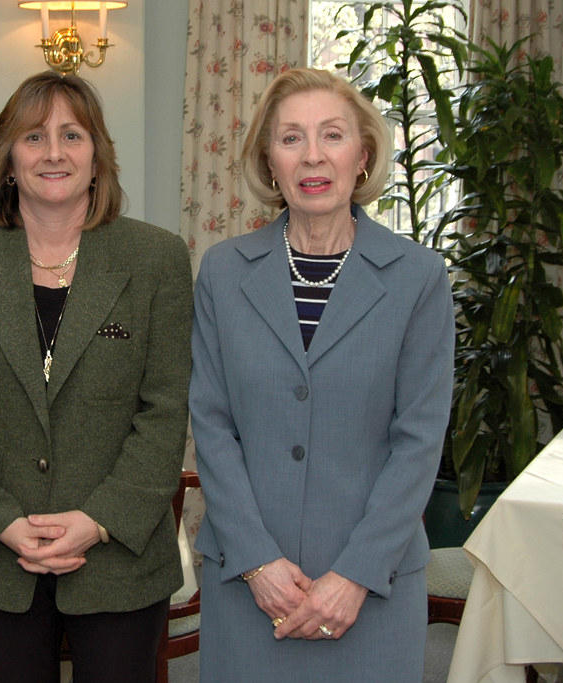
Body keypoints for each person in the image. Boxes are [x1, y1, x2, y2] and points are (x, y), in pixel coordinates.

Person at [0, 71, 192, 683]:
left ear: (97, 156)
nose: (53, 153)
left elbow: (164, 412)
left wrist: (97, 521)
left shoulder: (156, 258)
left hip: (120, 555)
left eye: (72, 135)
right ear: (9, 160)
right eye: (33, 137)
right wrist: (1, 521)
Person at [189, 67, 454, 682]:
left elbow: (419, 441)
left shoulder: (418, 277)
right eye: (291, 138)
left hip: (372, 587)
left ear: (362, 154)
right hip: (251, 584)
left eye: (332, 135)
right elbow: (211, 424)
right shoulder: (224, 273)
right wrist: (258, 563)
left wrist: (355, 574)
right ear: (269, 161)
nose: (313, 155)